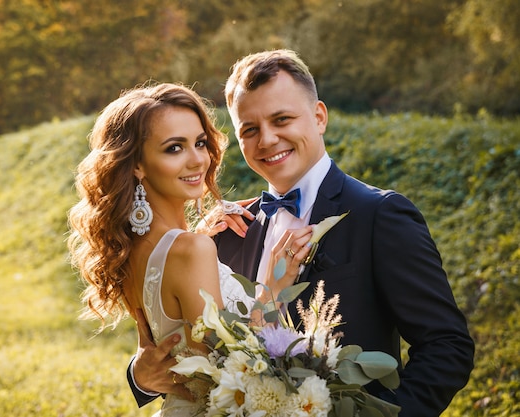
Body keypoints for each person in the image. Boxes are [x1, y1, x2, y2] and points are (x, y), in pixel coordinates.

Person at [128, 50, 475, 416]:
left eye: (282, 119)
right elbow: (192, 352)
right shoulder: (225, 230)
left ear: (319, 117)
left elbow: (446, 345)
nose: (267, 139)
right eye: (249, 129)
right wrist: (140, 376)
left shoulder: (380, 215)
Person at [67, 82, 313, 416]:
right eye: (174, 148)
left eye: (199, 143)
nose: (198, 160)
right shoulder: (191, 249)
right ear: (137, 164)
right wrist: (272, 289)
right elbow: (227, 375)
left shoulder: (135, 249)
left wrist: (196, 234)